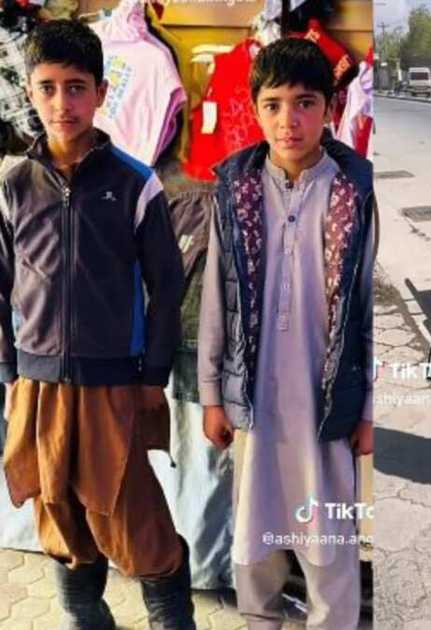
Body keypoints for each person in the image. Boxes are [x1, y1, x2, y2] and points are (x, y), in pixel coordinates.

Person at [0, 19, 192, 629]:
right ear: (30, 91)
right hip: (37, 385)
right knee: (60, 519)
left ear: (101, 93)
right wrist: (9, 370)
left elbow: (167, 286)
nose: (63, 103)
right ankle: (85, 617)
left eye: (77, 87)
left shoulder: (136, 184)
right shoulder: (13, 186)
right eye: (49, 87)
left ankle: (171, 617)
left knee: (137, 524)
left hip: (115, 384)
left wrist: (151, 375)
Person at [197, 38, 375, 628]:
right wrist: (210, 395)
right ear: (254, 108)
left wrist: (368, 407)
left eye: (304, 103)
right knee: (255, 540)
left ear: (328, 108)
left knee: (331, 546)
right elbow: (216, 300)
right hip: (255, 400)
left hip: (327, 406)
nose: (288, 120)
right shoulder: (235, 189)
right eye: (272, 104)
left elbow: (368, 306)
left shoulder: (354, 189)